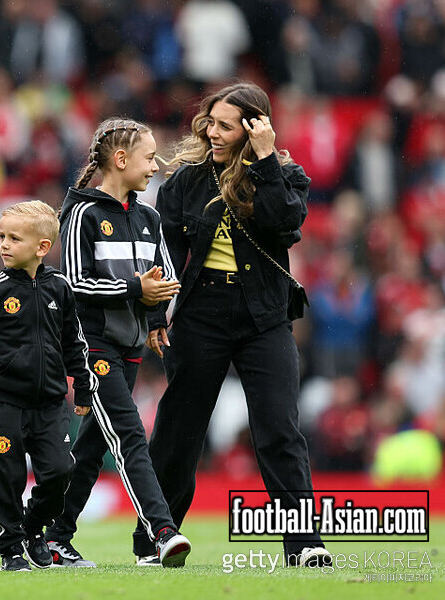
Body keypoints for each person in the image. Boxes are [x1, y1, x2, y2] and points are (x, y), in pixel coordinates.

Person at [134, 82, 332, 568]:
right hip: (201, 315)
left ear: (254, 128)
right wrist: (158, 314)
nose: (213, 133)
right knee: (180, 428)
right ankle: (157, 540)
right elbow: (167, 255)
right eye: (211, 123)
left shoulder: (285, 175)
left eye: (226, 126)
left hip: (264, 318)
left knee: (279, 428)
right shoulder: (185, 182)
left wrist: (264, 162)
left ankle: (304, 545)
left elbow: (284, 223)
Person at [46, 118, 192, 568]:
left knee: (91, 445)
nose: (157, 165)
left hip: (130, 348)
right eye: (149, 157)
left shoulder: (149, 218)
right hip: (93, 346)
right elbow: (73, 285)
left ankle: (52, 536)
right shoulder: (84, 215)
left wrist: (152, 316)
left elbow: (164, 276)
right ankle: (162, 531)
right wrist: (135, 291)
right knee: (129, 433)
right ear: (121, 160)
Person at [0, 200, 96, 572]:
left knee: (60, 471)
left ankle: (34, 527)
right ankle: (10, 548)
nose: (3, 244)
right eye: (1, 236)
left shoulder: (61, 289)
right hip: (5, 404)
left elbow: (74, 342)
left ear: (42, 248)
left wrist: (83, 387)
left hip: (51, 404)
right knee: (7, 477)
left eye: (14, 238)